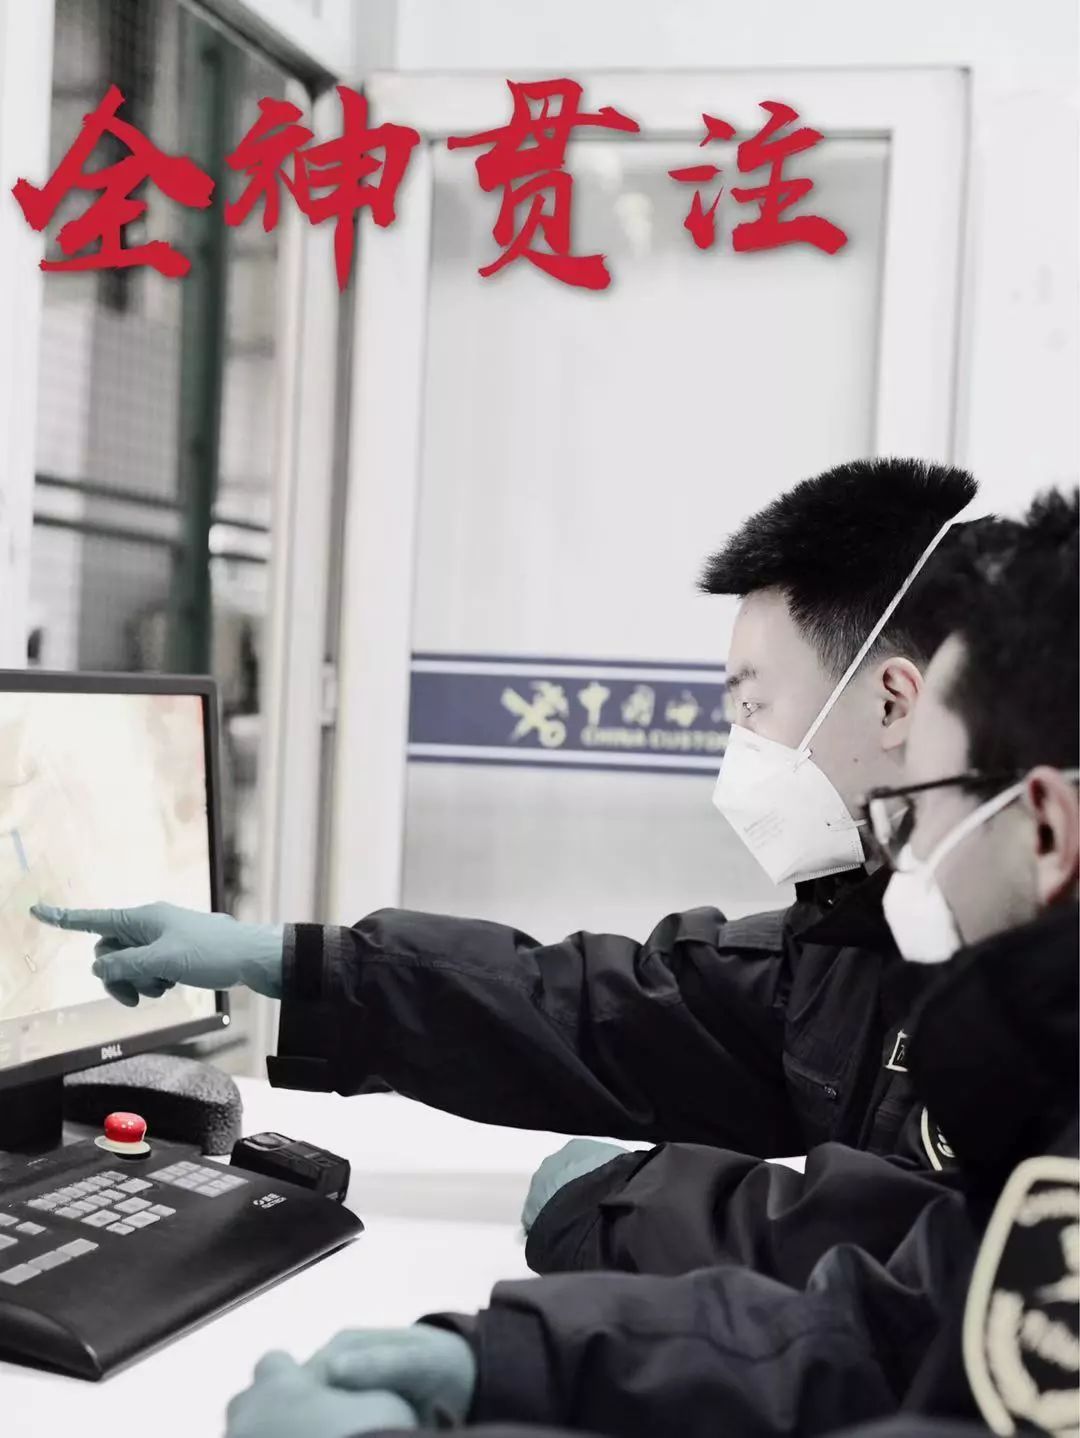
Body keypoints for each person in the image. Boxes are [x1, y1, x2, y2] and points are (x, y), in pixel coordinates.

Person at [222, 488, 1079, 1438]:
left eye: (926, 799)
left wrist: (628, 1207)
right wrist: (512, 1365)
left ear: (1045, 824)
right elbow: (894, 1327)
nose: (906, 837)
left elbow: (900, 1277)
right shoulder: (897, 960)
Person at [34, 460, 1014, 1284]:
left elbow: (943, 1271)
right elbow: (612, 1013)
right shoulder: (865, 930)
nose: (740, 748)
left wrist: (627, 1207)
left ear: (895, 703)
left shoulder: (1026, 971)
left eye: (753, 707)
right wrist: (296, 960)